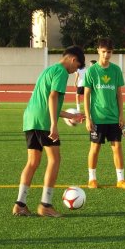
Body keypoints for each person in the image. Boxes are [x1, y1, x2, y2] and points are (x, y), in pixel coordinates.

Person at [12, 46, 86, 217]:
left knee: (33, 162)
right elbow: (52, 97)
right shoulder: (60, 72)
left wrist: (69, 115)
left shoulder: (49, 70)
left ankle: (20, 204)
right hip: (44, 121)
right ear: (73, 59)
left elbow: (47, 102)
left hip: (30, 119)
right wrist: (53, 125)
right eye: (77, 67)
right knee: (54, 159)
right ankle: (46, 204)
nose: (74, 71)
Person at [84, 39, 125, 190]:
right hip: (97, 118)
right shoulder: (91, 71)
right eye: (103, 51)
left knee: (117, 148)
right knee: (95, 148)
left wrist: (121, 114)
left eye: (109, 52)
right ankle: (92, 179)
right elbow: (86, 95)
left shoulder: (116, 70)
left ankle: (121, 180)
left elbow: (119, 94)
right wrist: (88, 117)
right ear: (98, 50)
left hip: (113, 117)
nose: (106, 55)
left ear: (112, 52)